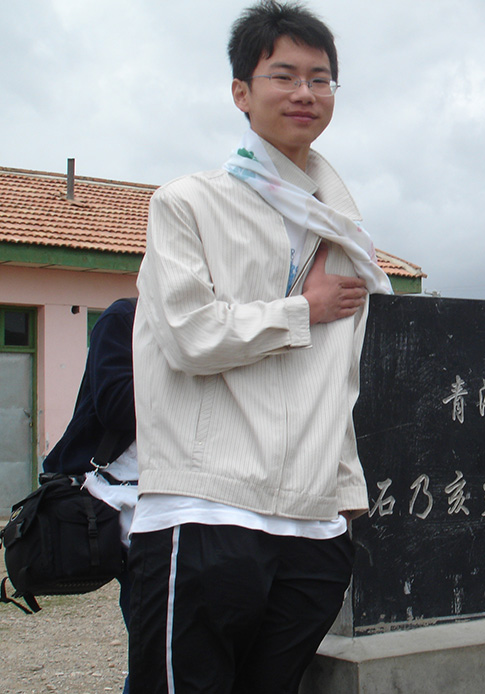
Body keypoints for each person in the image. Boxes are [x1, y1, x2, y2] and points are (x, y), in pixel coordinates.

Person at [128, 2, 392, 692]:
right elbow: (188, 336)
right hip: (205, 508)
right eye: (284, 76)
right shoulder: (187, 204)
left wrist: (343, 494)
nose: (305, 93)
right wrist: (299, 310)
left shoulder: (344, 232)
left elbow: (340, 381)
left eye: (321, 78)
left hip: (313, 527)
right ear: (241, 92)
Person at [42, 297, 138, 694]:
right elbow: (116, 406)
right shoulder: (125, 318)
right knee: (154, 650)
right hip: (123, 503)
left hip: (190, 504)